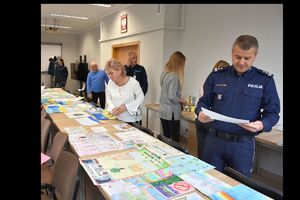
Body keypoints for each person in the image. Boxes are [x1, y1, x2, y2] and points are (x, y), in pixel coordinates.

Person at [195, 35, 280, 177]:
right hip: (215, 142)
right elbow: (203, 102)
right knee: (208, 180)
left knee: (240, 187)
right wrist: (200, 113)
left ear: (254, 56)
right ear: (232, 53)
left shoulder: (264, 80)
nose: (241, 62)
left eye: (247, 58)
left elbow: (273, 112)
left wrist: (262, 124)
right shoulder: (217, 76)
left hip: (242, 146)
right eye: (237, 57)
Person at [195, 59, 230, 159]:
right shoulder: (223, 85)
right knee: (213, 152)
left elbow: (201, 101)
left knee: (202, 148)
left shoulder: (206, 81)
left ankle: (201, 167)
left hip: (200, 119)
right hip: (211, 121)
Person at [159, 51, 188, 142]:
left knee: (166, 137)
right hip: (171, 113)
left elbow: (167, 93)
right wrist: (182, 101)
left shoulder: (164, 73)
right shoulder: (174, 76)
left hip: (163, 110)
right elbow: (172, 97)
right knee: (175, 139)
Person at [105, 58, 144, 124]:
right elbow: (108, 97)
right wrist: (113, 108)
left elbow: (141, 98)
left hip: (131, 119)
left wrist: (126, 107)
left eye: (111, 73)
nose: (109, 76)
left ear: (120, 71)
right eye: (107, 73)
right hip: (115, 117)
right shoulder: (110, 82)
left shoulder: (133, 83)